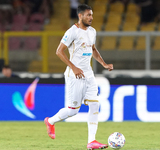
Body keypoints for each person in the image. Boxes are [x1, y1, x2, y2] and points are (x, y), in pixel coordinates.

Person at [44, 4, 113, 150]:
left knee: (95, 104)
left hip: (88, 74)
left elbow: (93, 49)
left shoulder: (92, 31)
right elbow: (59, 51)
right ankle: (50, 121)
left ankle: (92, 141)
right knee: (73, 110)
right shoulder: (72, 32)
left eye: (92, 15)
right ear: (80, 16)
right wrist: (73, 67)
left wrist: (104, 64)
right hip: (74, 75)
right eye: (88, 15)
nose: (91, 18)